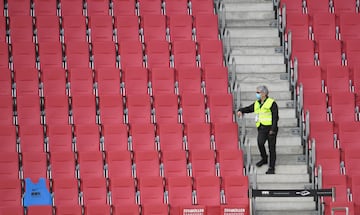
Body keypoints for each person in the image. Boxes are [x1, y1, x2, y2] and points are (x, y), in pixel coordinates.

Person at [237, 85, 279, 174]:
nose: (257, 94)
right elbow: (249, 108)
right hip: (262, 128)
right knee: (260, 143)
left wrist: (273, 129)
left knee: (272, 148)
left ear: (264, 93)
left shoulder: (271, 103)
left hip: (271, 128)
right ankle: (264, 158)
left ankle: (271, 167)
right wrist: (241, 110)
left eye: (258, 92)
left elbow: (275, 117)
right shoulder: (257, 103)